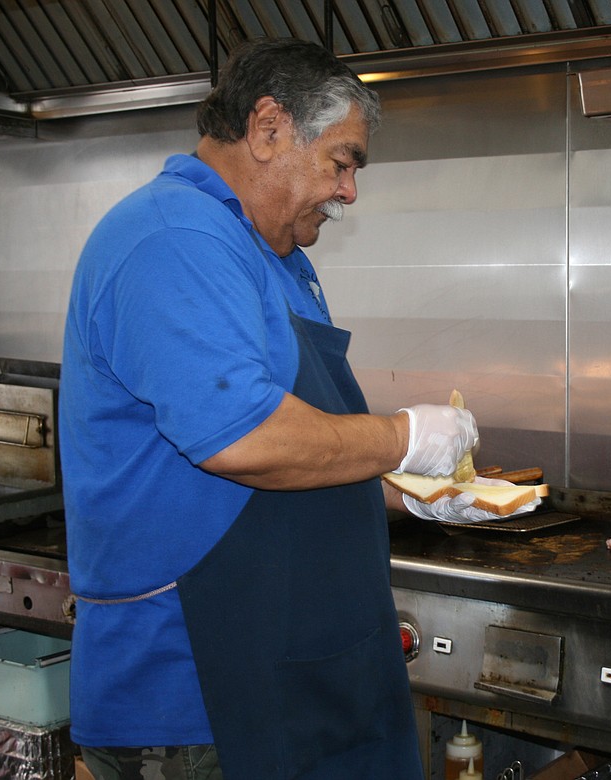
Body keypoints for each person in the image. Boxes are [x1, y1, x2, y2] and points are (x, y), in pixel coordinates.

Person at [60, 37, 534, 780]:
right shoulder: (174, 237)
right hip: (197, 692)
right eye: (341, 162)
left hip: (292, 666)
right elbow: (242, 438)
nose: (349, 192)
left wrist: (416, 492)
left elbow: (288, 458)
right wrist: (404, 437)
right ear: (269, 126)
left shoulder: (269, 256)